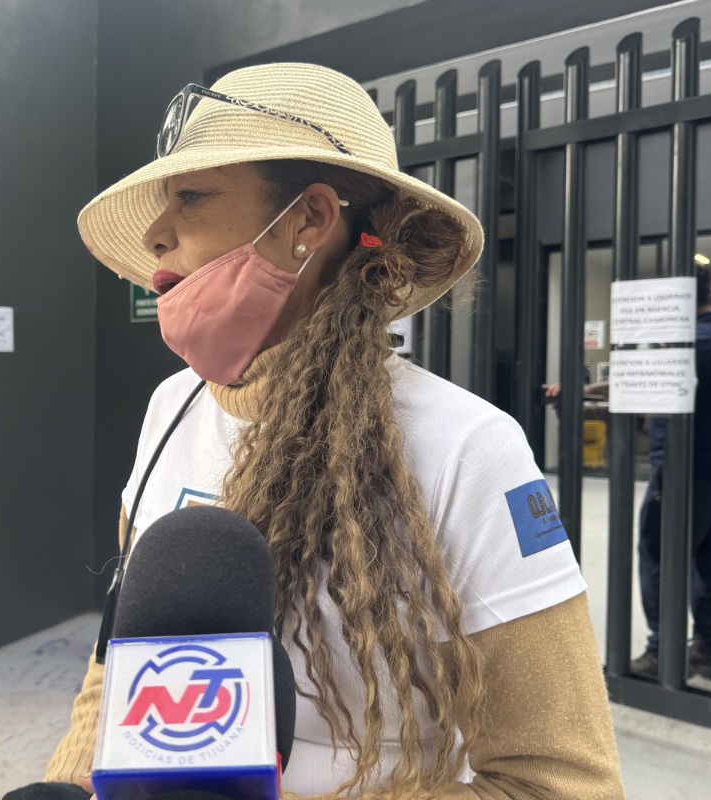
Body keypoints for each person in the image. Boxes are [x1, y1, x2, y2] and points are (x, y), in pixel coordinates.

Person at [43, 64, 622, 799]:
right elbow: (114, 670)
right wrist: (65, 783)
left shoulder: (468, 448)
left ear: (309, 220)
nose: (157, 234)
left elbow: (563, 783)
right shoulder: (169, 407)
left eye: (191, 196)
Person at [631, 268, 711, 682]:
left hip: (681, 472)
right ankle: (710, 650)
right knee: (710, 561)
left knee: (659, 557)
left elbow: (639, 387)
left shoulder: (688, 345)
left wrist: (579, 392)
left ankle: (663, 652)